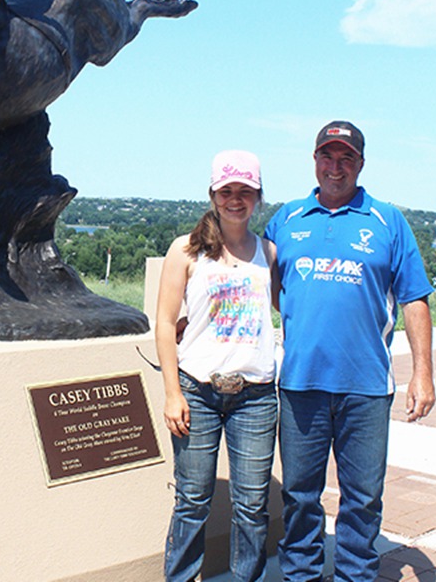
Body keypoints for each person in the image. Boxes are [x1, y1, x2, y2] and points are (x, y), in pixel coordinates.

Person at [264, 121, 436, 582]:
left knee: (362, 496)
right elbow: (263, 287)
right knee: (300, 494)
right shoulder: (287, 220)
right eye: (327, 156)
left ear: (360, 164)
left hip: (366, 386)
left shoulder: (387, 221)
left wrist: (423, 374)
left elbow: (414, 298)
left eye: (346, 159)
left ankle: (356, 575)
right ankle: (301, 574)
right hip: (301, 383)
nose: (335, 167)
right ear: (314, 160)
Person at [155, 150, 279, 582]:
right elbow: (166, 323)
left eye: (245, 191)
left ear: (258, 197)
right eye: (227, 191)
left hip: (256, 396)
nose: (235, 199)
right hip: (198, 392)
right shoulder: (186, 251)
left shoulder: (268, 252)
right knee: (192, 498)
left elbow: (288, 310)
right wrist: (173, 393)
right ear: (212, 194)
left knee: (251, 503)